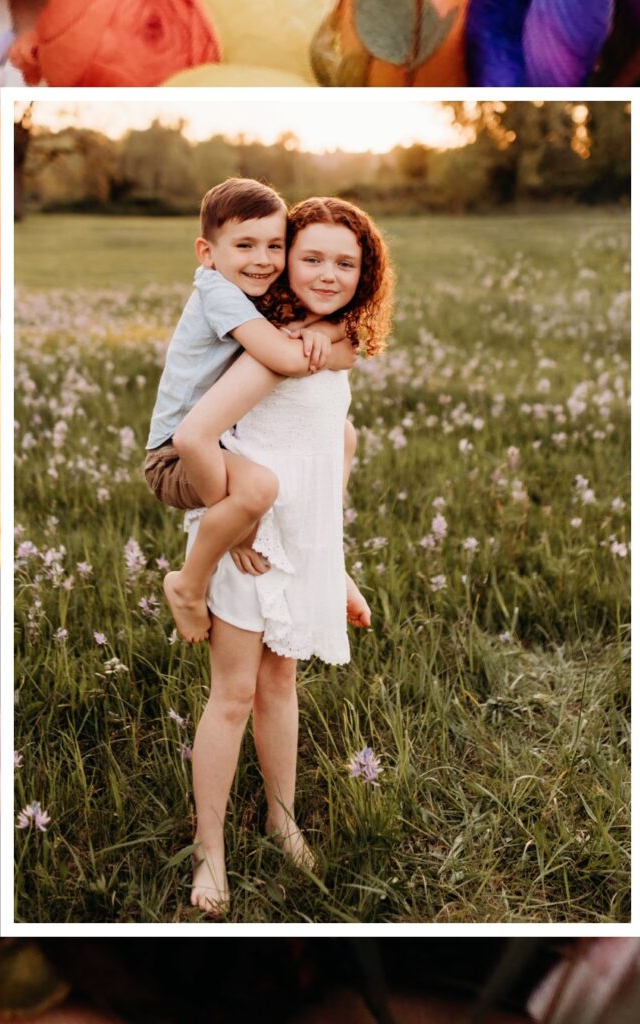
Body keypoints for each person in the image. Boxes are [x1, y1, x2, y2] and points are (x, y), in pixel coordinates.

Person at [178, 196, 394, 914]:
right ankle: (209, 852)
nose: (328, 273)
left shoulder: (328, 350)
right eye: (311, 258)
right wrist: (236, 531)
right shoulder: (272, 347)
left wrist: (336, 570)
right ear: (284, 260)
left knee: (281, 687)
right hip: (248, 543)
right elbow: (199, 435)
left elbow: (337, 448)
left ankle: (280, 817)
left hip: (301, 546)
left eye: (345, 262)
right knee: (234, 695)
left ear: (365, 274)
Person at [143, 178, 357, 641]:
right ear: (207, 252)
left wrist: (322, 332)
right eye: (245, 245)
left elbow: (337, 350)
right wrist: (239, 525)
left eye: (275, 246)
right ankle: (187, 584)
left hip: (217, 441)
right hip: (174, 456)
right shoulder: (217, 291)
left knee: (344, 433)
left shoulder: (255, 286)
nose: (263, 260)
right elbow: (282, 358)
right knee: (258, 488)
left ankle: (327, 564)